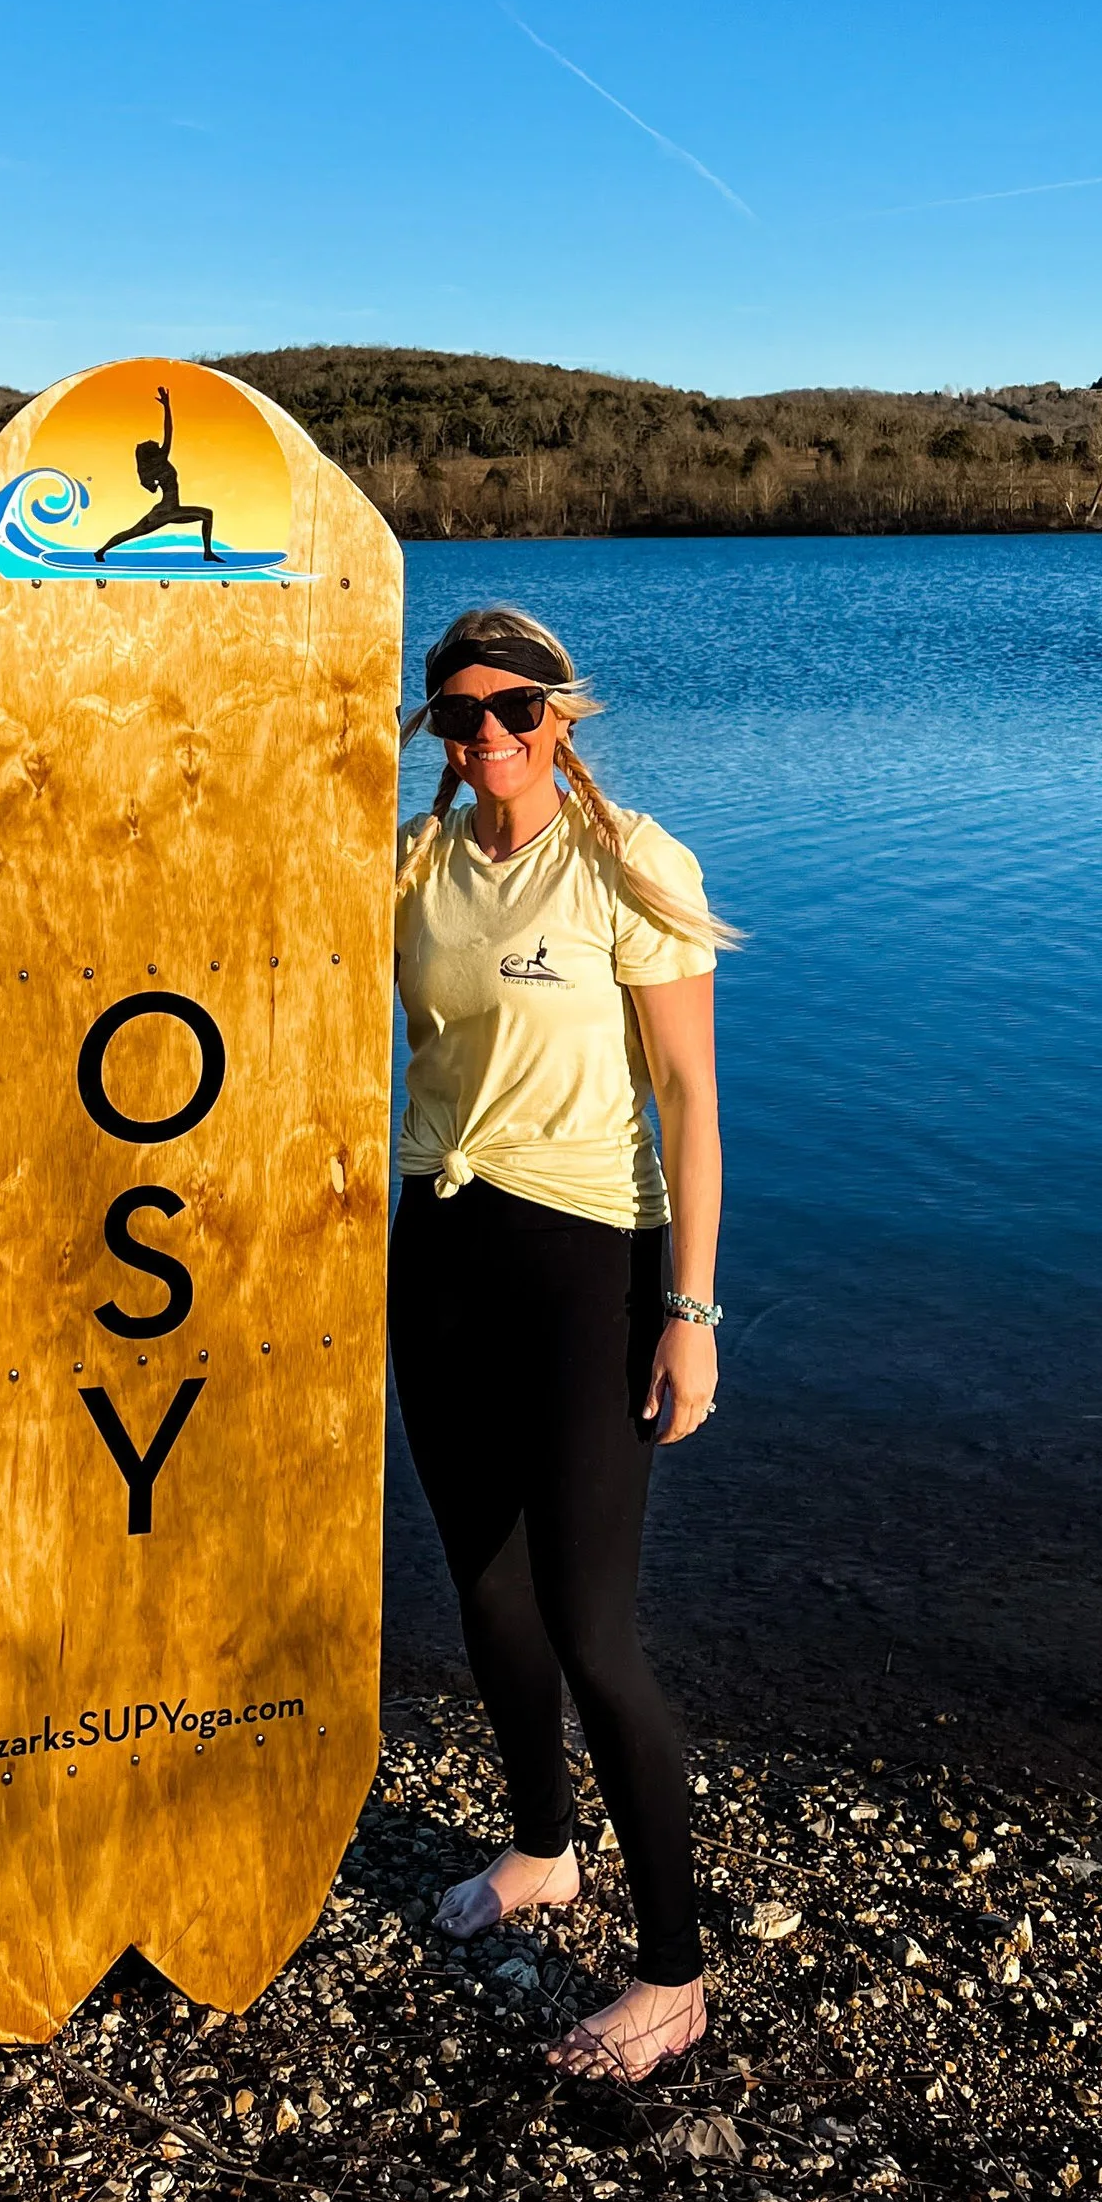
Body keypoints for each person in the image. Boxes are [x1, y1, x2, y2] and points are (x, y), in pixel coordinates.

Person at [390, 603, 737, 2082]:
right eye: (457, 714)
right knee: (486, 1591)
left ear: (561, 717)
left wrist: (694, 1315)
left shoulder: (630, 863)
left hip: (590, 1257)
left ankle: (673, 1977)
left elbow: (691, 1103)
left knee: (594, 1624)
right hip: (439, 1248)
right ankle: (541, 1849)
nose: (487, 739)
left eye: (513, 711)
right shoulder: (406, 863)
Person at [94, 382, 219, 562]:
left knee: (206, 514)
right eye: (151, 443)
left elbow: (149, 486)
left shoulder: (154, 465)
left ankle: (207, 553)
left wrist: (167, 405)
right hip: (166, 512)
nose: (154, 441)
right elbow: (169, 431)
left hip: (170, 509)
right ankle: (101, 551)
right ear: (150, 452)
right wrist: (167, 407)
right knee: (132, 533)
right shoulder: (160, 461)